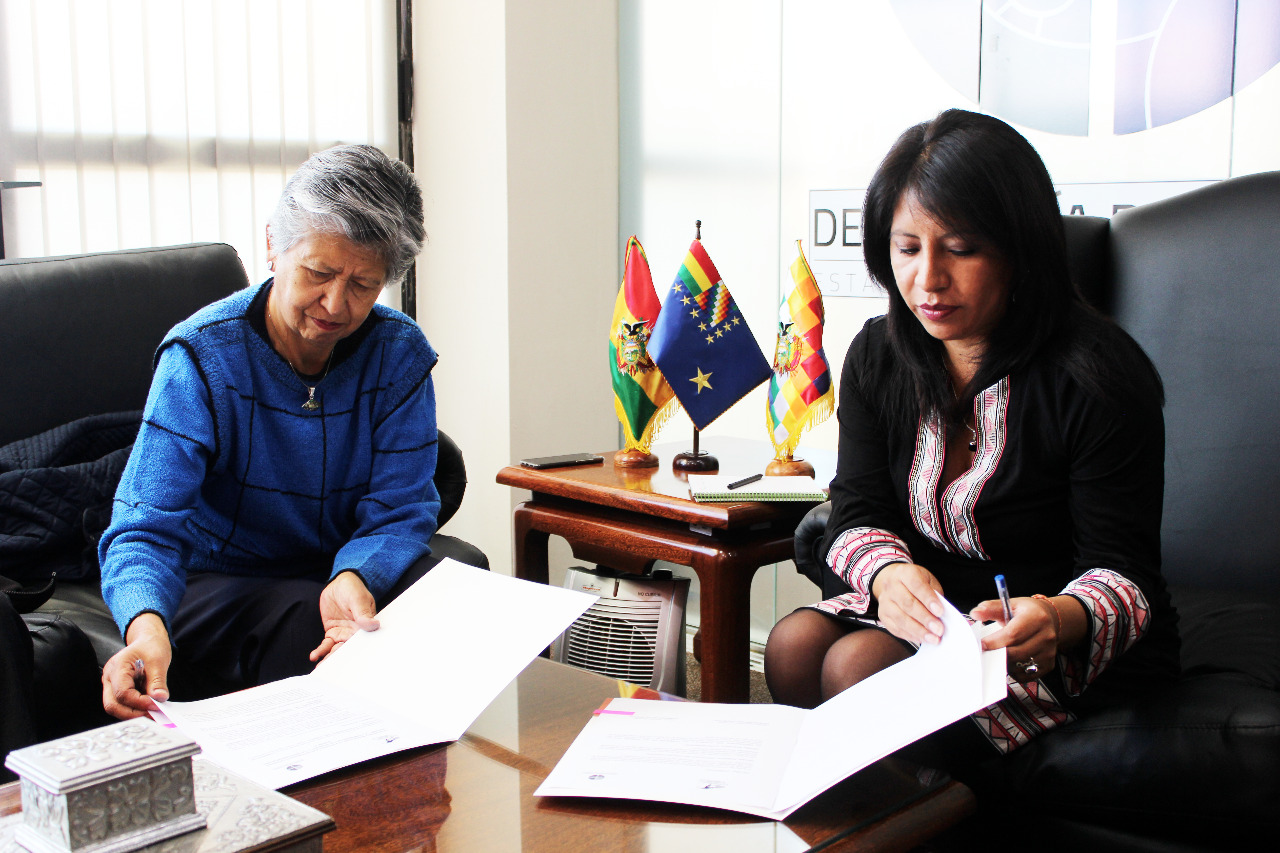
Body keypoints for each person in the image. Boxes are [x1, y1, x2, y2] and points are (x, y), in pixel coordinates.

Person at [763, 109, 1178, 766]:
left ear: (1020, 250)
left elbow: (1126, 576)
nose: (928, 279)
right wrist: (890, 572)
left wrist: (1056, 616)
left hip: (1046, 635)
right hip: (934, 611)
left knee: (856, 665)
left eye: (960, 249)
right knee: (790, 645)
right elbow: (856, 508)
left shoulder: (1099, 378)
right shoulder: (879, 356)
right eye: (908, 248)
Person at [99, 144, 482, 720]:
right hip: (218, 580)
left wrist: (356, 574)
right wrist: (145, 625)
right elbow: (145, 528)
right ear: (274, 246)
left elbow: (402, 508)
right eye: (319, 273)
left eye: (363, 284)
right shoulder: (201, 357)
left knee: (459, 584)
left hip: (334, 562)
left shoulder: (399, 353)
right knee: (307, 619)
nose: (336, 304)